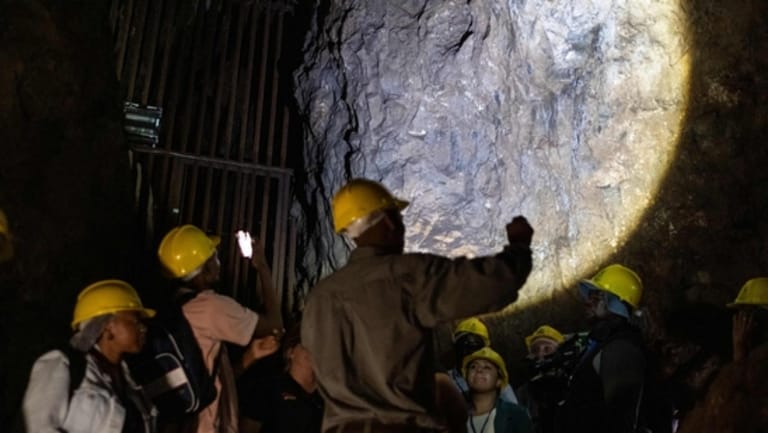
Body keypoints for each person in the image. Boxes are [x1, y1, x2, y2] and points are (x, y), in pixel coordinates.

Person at [301, 178, 534, 433]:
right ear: (389, 222)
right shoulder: (408, 276)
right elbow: (491, 284)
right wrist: (519, 246)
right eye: (398, 217)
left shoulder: (318, 298)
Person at [157, 224, 283, 433]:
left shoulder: (173, 308)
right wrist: (262, 266)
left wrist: (250, 356)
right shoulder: (211, 307)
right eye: (214, 256)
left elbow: (206, 379)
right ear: (205, 270)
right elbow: (275, 326)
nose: (219, 262)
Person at [22, 279, 157, 433]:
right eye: (135, 321)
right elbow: (37, 427)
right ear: (108, 326)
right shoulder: (64, 364)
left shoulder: (128, 380)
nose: (143, 328)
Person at [555, 264, 649, 433]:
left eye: (596, 297)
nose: (587, 302)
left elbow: (621, 421)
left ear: (615, 303)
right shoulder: (602, 344)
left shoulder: (621, 348)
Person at [676, 277, 768, 433]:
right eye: (740, 316)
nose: (740, 322)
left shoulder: (755, 368)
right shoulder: (724, 358)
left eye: (747, 316)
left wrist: (740, 354)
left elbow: (737, 412)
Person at [239, 323, 324, 433]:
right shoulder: (270, 388)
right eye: (307, 344)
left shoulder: (328, 393)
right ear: (290, 352)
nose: (314, 350)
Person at [449, 318, 519, 404]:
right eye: (462, 346)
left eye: (474, 347)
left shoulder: (495, 380)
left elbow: (514, 408)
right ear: (455, 348)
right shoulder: (444, 380)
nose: (466, 352)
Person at [463, 347, 532, 433]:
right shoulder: (453, 414)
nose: (479, 370)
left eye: (487, 367)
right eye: (473, 367)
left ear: (499, 380)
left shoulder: (516, 415)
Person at [516, 325, 567, 433]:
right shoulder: (523, 393)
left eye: (547, 349)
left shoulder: (572, 384)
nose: (540, 354)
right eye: (535, 350)